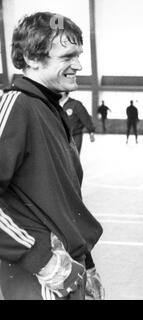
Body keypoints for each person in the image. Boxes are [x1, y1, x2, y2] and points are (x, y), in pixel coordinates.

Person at [0, 12, 104, 300]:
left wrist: (88, 266)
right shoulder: (17, 107)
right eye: (68, 56)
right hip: (39, 279)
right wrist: (44, 260)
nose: (79, 65)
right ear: (33, 58)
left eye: (79, 55)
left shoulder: (50, 110)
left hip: (71, 272)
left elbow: (64, 204)